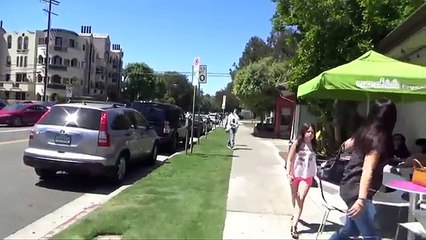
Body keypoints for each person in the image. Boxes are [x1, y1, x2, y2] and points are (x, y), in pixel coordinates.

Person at [331, 98, 397, 240]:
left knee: (350, 231)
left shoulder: (365, 132)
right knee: (371, 235)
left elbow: (346, 145)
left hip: (349, 185)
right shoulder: (377, 140)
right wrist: (361, 200)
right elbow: (368, 170)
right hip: (357, 191)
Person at [286, 123, 317, 239]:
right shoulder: (297, 144)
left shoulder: (314, 145)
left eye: (312, 132)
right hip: (296, 174)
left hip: (308, 176)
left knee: (301, 199)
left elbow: (314, 161)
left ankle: (294, 226)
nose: (310, 134)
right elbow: (289, 159)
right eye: (308, 131)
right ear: (303, 132)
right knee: (294, 196)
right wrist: (288, 173)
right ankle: (295, 214)